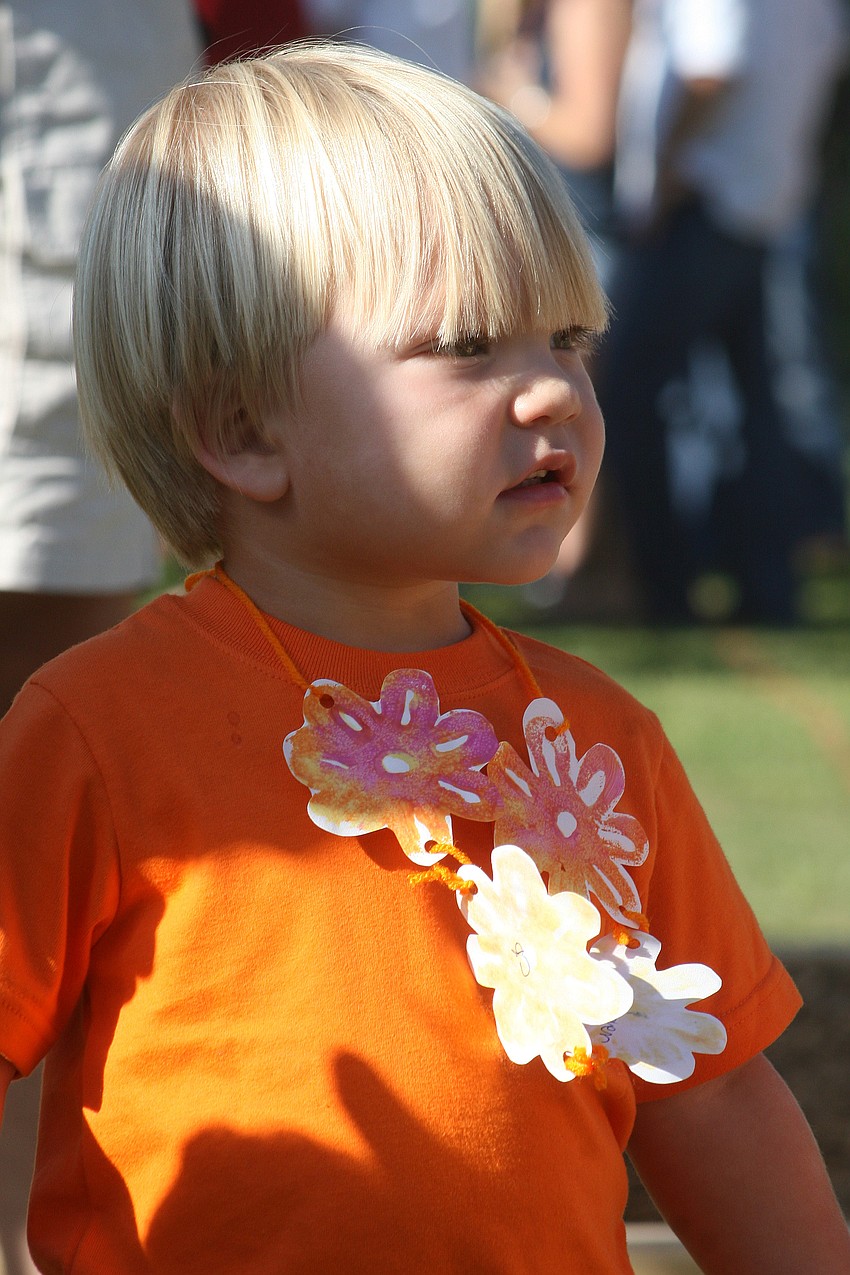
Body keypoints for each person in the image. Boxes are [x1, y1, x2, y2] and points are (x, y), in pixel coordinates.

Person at [0, 43, 847, 1274]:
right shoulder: (95, 728)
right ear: (242, 430)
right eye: (465, 347)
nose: (552, 394)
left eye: (569, 340)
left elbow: (706, 1092)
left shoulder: (596, 742)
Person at [598, 0, 849, 624]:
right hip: (767, 200)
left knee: (625, 389)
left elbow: (710, 69)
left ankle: (666, 588)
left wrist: (664, 178)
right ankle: (767, 589)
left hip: (703, 202)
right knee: (755, 409)